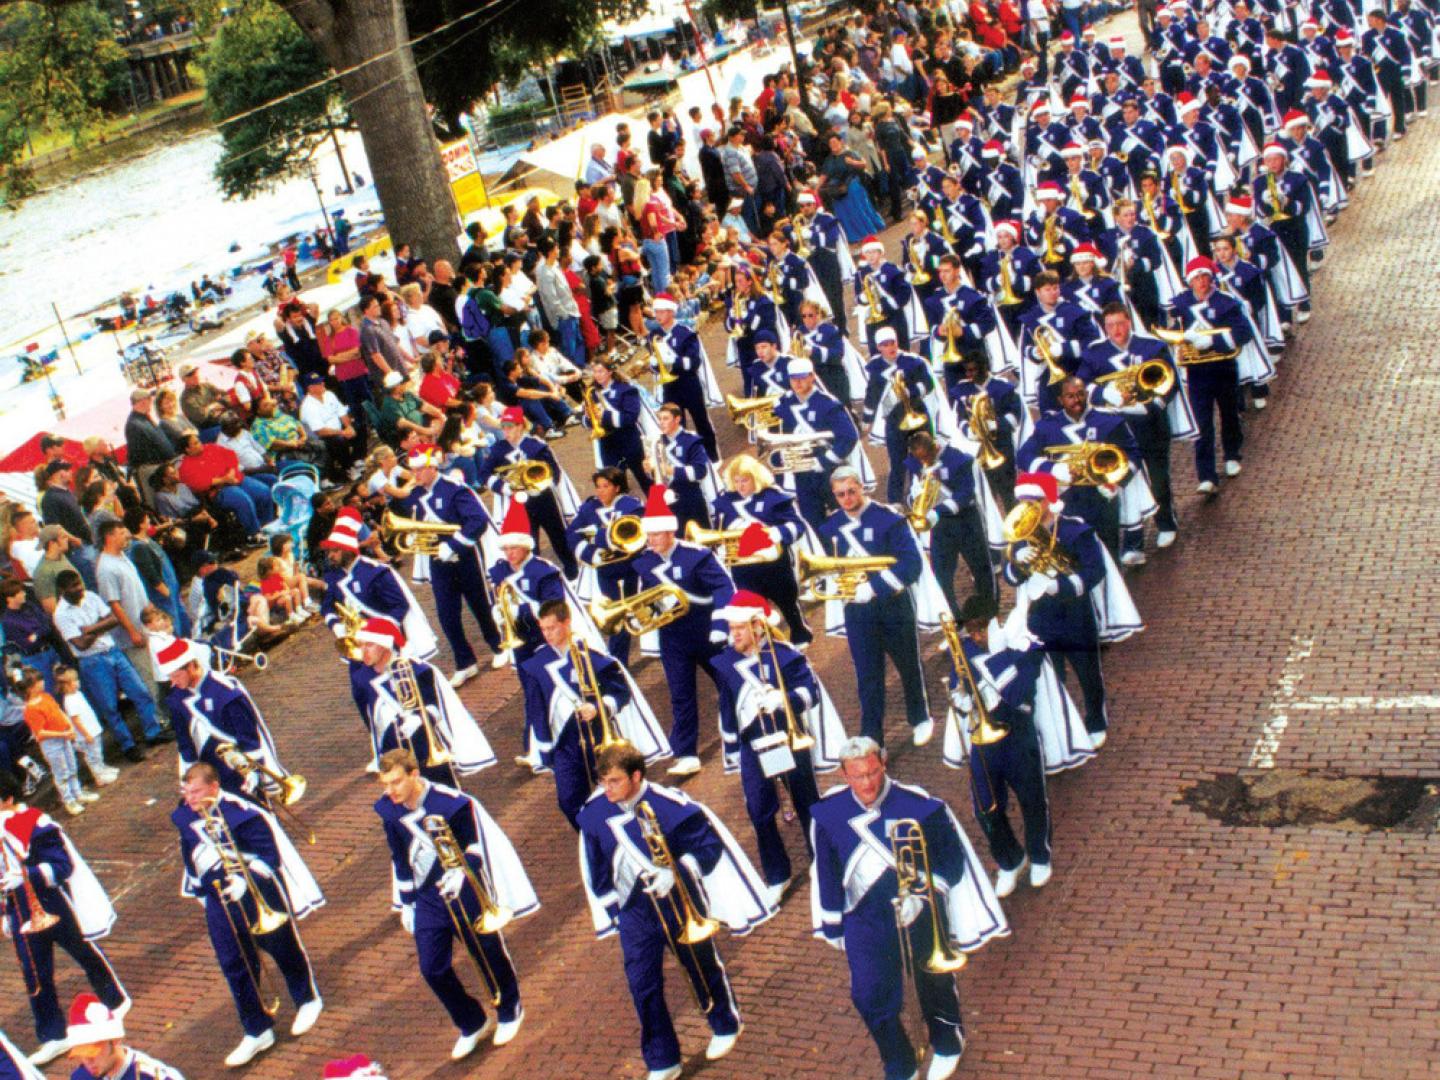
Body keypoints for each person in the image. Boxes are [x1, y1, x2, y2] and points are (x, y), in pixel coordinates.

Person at [808, 736, 1008, 1080]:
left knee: (934, 981)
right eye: (858, 776)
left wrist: (924, 894)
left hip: (919, 910)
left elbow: (950, 862)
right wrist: (833, 925)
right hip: (865, 917)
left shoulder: (920, 806)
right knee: (867, 994)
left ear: (883, 764)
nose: (868, 783)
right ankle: (899, 1061)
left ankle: (947, 1042)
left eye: (873, 772)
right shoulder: (829, 814)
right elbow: (827, 871)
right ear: (844, 775)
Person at [577, 742, 775, 1080]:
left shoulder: (671, 806)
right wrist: (611, 909)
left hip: (677, 901)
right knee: (642, 983)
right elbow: (596, 866)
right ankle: (662, 1059)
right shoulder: (594, 814)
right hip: (634, 911)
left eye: (614, 781)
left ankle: (725, 1024)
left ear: (636, 776)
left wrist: (677, 871)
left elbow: (709, 848)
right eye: (603, 781)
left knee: (700, 965)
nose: (606, 789)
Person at [375, 748, 536, 1061]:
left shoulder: (452, 804)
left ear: (414, 775)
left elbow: (475, 848)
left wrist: (461, 873)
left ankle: (509, 1009)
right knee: (431, 968)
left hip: (464, 889)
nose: (390, 790)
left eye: (396, 782)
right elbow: (399, 858)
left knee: (486, 951)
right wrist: (406, 903)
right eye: (385, 783)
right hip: (427, 896)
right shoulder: (387, 809)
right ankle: (472, 1021)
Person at [171, 762, 324, 1068]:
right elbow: (190, 853)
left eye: (197, 791)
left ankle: (307, 999)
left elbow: (269, 856)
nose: (191, 798)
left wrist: (245, 881)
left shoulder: (244, 813)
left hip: (256, 892)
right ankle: (256, 1028)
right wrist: (203, 891)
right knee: (234, 962)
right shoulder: (185, 815)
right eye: (187, 791)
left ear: (214, 787)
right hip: (218, 896)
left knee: (282, 948)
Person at [712, 591, 846, 903]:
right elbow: (727, 707)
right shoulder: (726, 663)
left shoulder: (785, 655)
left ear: (758, 626)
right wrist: (731, 749)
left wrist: (783, 700)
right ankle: (777, 874)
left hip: (786, 738)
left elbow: (809, 693)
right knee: (758, 810)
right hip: (753, 744)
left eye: (740, 629)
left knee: (805, 802)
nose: (734, 636)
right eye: (732, 629)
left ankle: (821, 859)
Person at [1001, 472, 1142, 743]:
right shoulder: (1021, 535)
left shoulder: (1075, 530)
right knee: (1051, 676)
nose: (1027, 508)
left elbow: (1095, 571)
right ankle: (1063, 728)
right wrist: (1017, 563)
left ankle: (1096, 721)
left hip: (1074, 613)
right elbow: (1010, 578)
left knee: (1088, 671)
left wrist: (1061, 586)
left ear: (1048, 501)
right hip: (1039, 614)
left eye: (1034, 500)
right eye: (1024, 501)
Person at [1, 774, 128, 1067]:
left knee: (85, 953)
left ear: (8, 798)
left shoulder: (36, 823)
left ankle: (114, 1001)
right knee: (34, 975)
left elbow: (62, 865)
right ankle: (52, 1035)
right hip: (21, 911)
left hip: (54, 903)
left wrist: (28, 875)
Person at [522, 600, 669, 827]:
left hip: (599, 736)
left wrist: (599, 707)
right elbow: (536, 710)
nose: (547, 634)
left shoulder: (589, 654)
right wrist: (544, 749)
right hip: (565, 744)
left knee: (618, 796)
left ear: (566, 623)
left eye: (552, 628)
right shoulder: (536, 665)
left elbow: (620, 691)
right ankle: (592, 838)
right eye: (543, 629)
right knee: (568, 800)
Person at [818, 468, 937, 748]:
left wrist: (873, 588)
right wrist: (831, 586)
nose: (846, 499)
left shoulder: (889, 519)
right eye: (840, 495)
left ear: (862, 487)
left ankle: (920, 717)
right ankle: (873, 734)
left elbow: (911, 564)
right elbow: (828, 568)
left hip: (893, 605)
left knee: (908, 665)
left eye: (851, 491)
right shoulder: (830, 527)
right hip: (857, 612)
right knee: (868, 675)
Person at [947, 595, 1054, 896]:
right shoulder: (965, 650)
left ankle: (1040, 856)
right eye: (972, 630)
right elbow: (959, 682)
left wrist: (993, 663)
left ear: (996, 622)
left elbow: (1020, 692)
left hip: (1017, 732)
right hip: (984, 738)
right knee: (985, 807)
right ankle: (1009, 859)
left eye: (982, 628)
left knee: (1032, 798)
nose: (977, 636)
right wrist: (959, 698)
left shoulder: (1023, 646)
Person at [631, 484, 736, 777]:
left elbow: (724, 587)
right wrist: (645, 618)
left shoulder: (697, 555)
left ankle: (736, 732)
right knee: (680, 694)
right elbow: (645, 599)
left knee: (729, 682)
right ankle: (686, 753)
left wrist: (720, 624)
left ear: (669, 532)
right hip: (673, 636)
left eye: (655, 534)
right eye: (648, 535)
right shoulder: (645, 563)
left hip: (706, 632)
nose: (650, 540)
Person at [396, 444, 504, 685]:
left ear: (433, 468)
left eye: (420, 469)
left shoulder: (454, 489)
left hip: (465, 558)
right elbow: (415, 522)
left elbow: (477, 521)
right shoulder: (415, 496)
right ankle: (465, 661)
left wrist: (454, 545)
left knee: (481, 606)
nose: (416, 475)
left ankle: (498, 646)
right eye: (413, 470)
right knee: (447, 614)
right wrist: (414, 536)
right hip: (438, 562)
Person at [348, 618, 495, 783]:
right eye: (361, 644)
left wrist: (418, 718)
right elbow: (371, 721)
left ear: (385, 645)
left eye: (369, 645)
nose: (363, 651)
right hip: (393, 752)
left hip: (424, 746)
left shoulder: (419, 670)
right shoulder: (362, 679)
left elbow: (435, 706)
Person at [51, 570, 169, 763]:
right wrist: (100, 625)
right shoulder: (61, 614)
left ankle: (152, 733)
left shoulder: (91, 596)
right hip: (92, 661)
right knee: (110, 707)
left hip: (113, 651)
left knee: (140, 692)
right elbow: (80, 644)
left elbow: (113, 620)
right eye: (73, 586)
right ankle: (128, 746)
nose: (80, 588)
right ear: (63, 590)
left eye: (79, 583)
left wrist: (89, 629)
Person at [156, 638, 294, 802]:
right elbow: (184, 741)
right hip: (207, 769)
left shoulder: (226, 692)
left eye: (176, 676)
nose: (173, 682)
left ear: (192, 666)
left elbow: (249, 737)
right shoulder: (177, 697)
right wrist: (191, 776)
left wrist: (252, 773)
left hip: (236, 766)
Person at [319, 509, 440, 662]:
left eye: (335, 551)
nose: (330, 556)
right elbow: (327, 606)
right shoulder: (334, 576)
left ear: (348, 550)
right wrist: (336, 626)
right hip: (358, 646)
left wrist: (379, 632)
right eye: (329, 551)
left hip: (387, 643)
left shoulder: (375, 572)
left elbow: (400, 605)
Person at [904, 431, 998, 620]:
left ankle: (990, 614)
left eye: (926, 457)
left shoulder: (959, 460)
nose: (923, 462)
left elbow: (965, 495)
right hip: (940, 527)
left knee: (981, 569)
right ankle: (956, 622)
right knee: (941, 576)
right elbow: (909, 492)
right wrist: (915, 498)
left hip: (966, 522)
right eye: (919, 458)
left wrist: (937, 511)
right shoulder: (915, 463)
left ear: (935, 447)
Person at [475, 408, 578, 579]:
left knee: (558, 536)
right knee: (528, 541)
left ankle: (572, 572)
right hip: (518, 503)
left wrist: (539, 483)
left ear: (520, 426)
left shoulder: (536, 446)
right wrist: (505, 488)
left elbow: (554, 471)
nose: (506, 432)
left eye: (510, 427)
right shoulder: (499, 450)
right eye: (504, 428)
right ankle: (535, 577)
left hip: (543, 499)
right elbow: (484, 474)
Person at [773, 357, 864, 531]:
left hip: (829, 472)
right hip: (801, 472)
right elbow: (776, 435)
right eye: (793, 378)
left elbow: (849, 436)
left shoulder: (827, 403)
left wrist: (823, 462)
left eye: (802, 377)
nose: (797, 383)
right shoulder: (783, 404)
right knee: (811, 520)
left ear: (812, 376)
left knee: (844, 516)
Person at [18, 669, 100, 817]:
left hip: (64, 736)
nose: (42, 683)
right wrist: (63, 733)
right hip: (52, 744)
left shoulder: (46, 696)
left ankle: (78, 793)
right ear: (31, 687)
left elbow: (58, 711)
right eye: (38, 681)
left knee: (72, 766)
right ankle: (69, 800)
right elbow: (40, 733)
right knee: (61, 773)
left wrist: (68, 725)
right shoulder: (30, 708)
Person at [650, 294, 720, 460]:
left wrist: (673, 361)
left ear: (671, 312)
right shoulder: (653, 335)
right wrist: (654, 364)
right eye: (656, 311)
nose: (658, 315)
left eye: (662, 311)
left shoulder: (685, 333)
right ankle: (682, 459)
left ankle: (713, 457)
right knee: (675, 426)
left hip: (688, 384)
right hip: (669, 387)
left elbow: (694, 362)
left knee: (701, 421)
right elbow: (654, 363)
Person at [175, 433, 275, 541]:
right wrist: (224, 480)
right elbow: (199, 484)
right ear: (188, 450)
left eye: (198, 441)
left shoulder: (210, 447)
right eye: (196, 443)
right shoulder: (185, 467)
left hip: (235, 478)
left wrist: (231, 473)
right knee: (243, 500)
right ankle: (254, 534)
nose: (200, 444)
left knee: (263, 492)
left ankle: (266, 525)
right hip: (219, 490)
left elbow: (230, 455)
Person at [62, 992, 185, 1078]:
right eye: (82, 1054)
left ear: (115, 1040)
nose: (88, 1061)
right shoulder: (82, 1076)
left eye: (93, 1052)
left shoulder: (150, 1076)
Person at [298, 374, 362, 482]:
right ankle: (348, 468)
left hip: (338, 429)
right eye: (318, 383)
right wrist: (342, 432)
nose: (323, 384)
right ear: (310, 388)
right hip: (322, 437)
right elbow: (319, 431)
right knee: (339, 441)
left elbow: (342, 412)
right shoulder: (308, 406)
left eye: (322, 381)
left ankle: (357, 458)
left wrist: (349, 427)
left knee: (358, 425)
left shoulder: (329, 394)